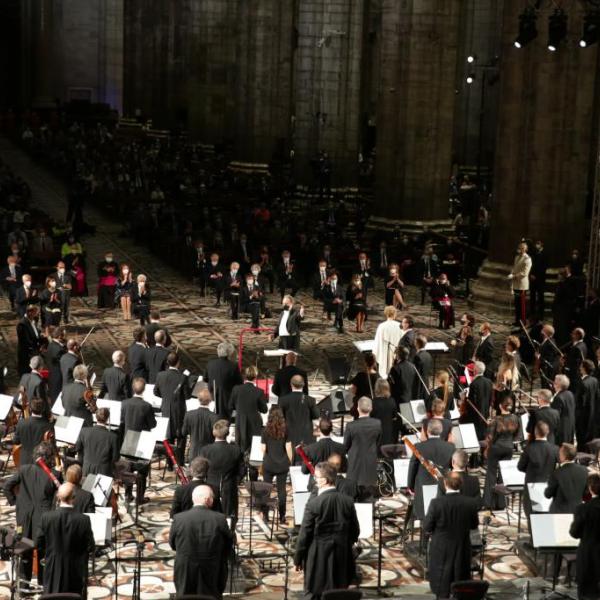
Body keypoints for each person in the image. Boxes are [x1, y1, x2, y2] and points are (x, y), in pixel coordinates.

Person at [294, 461, 360, 600]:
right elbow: (355, 531)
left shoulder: (314, 503)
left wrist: (298, 559)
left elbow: (304, 534)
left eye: (316, 477)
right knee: (338, 593)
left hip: (318, 555)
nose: (314, 480)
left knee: (315, 593)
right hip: (342, 555)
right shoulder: (348, 501)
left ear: (324, 480)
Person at [3, 442, 60, 582]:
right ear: (49, 457)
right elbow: (63, 494)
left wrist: (16, 503)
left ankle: (24, 584)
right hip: (44, 517)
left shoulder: (24, 469)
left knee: (24, 548)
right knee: (43, 550)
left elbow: (7, 486)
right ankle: (43, 582)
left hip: (23, 516)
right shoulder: (55, 475)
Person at [169, 485, 233, 599]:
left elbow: (173, 544)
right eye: (212, 498)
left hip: (185, 569)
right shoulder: (220, 518)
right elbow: (228, 545)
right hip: (212, 568)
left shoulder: (179, 518)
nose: (213, 500)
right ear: (207, 499)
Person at [423, 472, 479, 600]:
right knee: (461, 587)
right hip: (462, 549)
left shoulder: (436, 503)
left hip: (441, 551)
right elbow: (474, 525)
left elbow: (427, 527)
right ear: (461, 484)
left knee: (441, 588)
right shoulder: (470, 503)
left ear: (445, 483)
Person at [37, 482, 95, 596]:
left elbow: (39, 542)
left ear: (58, 497)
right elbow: (90, 546)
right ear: (74, 498)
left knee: (52, 597)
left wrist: (48, 554)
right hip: (75, 569)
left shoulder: (46, 517)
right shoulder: (83, 519)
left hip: (52, 567)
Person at [408, 419, 455, 520]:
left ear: (427, 431)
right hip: (443, 488)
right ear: (441, 431)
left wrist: (411, 487)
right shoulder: (450, 447)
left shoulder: (419, 447)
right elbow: (453, 469)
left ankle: (424, 533)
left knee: (425, 518)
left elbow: (412, 468)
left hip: (422, 488)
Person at [121, 378, 157, 502]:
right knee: (142, 471)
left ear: (132, 388)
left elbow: (122, 420)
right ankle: (140, 498)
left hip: (129, 439)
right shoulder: (147, 406)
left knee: (128, 468)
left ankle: (127, 494)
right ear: (144, 389)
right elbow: (152, 424)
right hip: (143, 441)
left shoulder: (125, 403)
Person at [200, 420, 244, 522]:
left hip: (210, 486)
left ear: (213, 432)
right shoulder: (236, 450)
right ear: (227, 433)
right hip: (229, 487)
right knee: (229, 517)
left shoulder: (205, 450)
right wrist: (235, 481)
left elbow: (201, 470)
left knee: (210, 516)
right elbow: (242, 470)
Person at [482, 396, 521, 509]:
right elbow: (517, 436)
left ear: (500, 406)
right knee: (503, 475)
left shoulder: (496, 419)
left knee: (491, 475)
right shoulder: (515, 418)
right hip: (508, 448)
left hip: (495, 448)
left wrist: (487, 448)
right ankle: (501, 503)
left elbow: (490, 437)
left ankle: (488, 503)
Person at [155, 352, 192, 466]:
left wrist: (166, 397)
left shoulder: (160, 375)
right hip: (179, 411)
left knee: (168, 436)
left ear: (167, 362)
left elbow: (156, 391)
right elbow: (187, 396)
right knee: (181, 436)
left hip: (166, 408)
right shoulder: (182, 377)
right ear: (178, 363)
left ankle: (170, 463)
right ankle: (179, 462)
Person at [344, 397, 382, 500]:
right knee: (369, 496)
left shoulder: (351, 426)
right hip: (370, 462)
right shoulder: (377, 424)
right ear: (371, 408)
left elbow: (345, 446)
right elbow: (378, 442)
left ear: (357, 408)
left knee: (353, 497)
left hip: (354, 464)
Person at [517, 421, 559, 516]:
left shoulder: (529, 448)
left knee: (531, 514)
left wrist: (529, 470)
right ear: (547, 432)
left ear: (535, 433)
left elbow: (520, 467)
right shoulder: (555, 449)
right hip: (548, 484)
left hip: (532, 483)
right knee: (547, 512)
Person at [569, 472, 600, 600]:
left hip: (588, 555)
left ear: (590, 489)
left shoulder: (583, 509)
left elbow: (574, 533)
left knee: (586, 593)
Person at [261, 405, 293, 523]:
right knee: (282, 491)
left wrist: (264, 461)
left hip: (268, 464)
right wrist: (289, 461)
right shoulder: (286, 429)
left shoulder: (265, 430)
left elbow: (263, 449)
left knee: (266, 490)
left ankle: (265, 516)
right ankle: (282, 516)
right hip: (282, 464)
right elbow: (288, 447)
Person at [278, 375, 319, 456]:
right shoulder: (310, 400)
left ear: (291, 384)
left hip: (289, 436)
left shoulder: (283, 400)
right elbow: (316, 415)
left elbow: (279, 417)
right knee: (305, 459)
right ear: (303, 384)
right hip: (306, 437)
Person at [231, 366, 268, 454]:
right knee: (254, 449)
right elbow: (264, 410)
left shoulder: (236, 389)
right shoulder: (259, 391)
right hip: (254, 423)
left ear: (245, 376)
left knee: (240, 447)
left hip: (240, 421)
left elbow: (231, 405)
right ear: (255, 377)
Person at [544, 443, 588, 513]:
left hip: (559, 512)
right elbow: (586, 492)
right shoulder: (584, 470)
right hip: (577, 511)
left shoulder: (556, 473)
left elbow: (548, 494)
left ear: (563, 456)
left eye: (560, 453)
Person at [75, 407, 119, 476]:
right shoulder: (113, 437)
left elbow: (78, 448)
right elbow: (115, 458)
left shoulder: (84, 431)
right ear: (107, 419)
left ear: (96, 417)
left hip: (86, 469)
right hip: (104, 472)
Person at [205, 341, 243, 419]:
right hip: (227, 398)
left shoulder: (210, 364)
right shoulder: (233, 366)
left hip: (212, 396)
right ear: (228, 353)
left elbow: (205, 378)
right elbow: (240, 383)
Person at [13, 397, 53, 466]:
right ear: (43, 409)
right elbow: (51, 446)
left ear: (30, 409)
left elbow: (16, 441)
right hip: (41, 462)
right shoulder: (48, 426)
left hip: (24, 461)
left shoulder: (21, 423)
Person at [182, 389, 219, 460]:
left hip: (193, 452)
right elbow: (217, 435)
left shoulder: (189, 414)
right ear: (210, 401)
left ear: (198, 399)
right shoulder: (214, 417)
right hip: (208, 454)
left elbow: (184, 432)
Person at [460, 361, 492, 440]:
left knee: (463, 420)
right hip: (486, 411)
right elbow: (490, 398)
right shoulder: (489, 382)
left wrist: (464, 398)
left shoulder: (474, 383)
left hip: (476, 413)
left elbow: (472, 401)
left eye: (474, 369)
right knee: (483, 431)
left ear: (476, 370)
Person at [373, 306, 402, 378]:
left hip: (384, 353)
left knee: (385, 372)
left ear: (386, 314)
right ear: (395, 314)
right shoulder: (399, 326)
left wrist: (375, 353)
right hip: (395, 353)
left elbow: (377, 342)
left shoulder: (381, 326)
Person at [508, 241, 532, 326]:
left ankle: (523, 322)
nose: (521, 249)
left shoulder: (527, 259)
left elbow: (525, 273)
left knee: (522, 306)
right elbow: (515, 268)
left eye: (523, 248)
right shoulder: (517, 257)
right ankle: (517, 321)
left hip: (522, 285)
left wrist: (514, 276)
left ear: (526, 249)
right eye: (520, 248)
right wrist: (511, 273)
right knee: (517, 304)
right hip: (516, 284)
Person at [576, 359, 598, 451]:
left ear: (584, 369)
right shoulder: (594, 380)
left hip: (583, 416)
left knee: (582, 437)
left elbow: (581, 402)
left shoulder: (583, 383)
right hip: (592, 412)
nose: (580, 368)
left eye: (581, 366)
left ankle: (582, 454)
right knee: (590, 435)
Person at [371, 379, 398, 446]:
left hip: (376, 432)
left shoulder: (373, 402)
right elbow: (394, 416)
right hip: (389, 431)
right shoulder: (392, 401)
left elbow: (370, 416)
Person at [17, 305, 43, 375]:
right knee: (27, 373)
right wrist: (37, 347)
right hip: (27, 355)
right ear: (30, 313)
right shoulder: (22, 324)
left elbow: (36, 335)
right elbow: (26, 341)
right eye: (35, 313)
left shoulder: (32, 321)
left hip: (34, 352)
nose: (37, 314)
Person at [551, 374, 575, 445]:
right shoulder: (570, 394)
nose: (553, 384)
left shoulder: (558, 398)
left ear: (558, 385)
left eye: (555, 382)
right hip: (569, 428)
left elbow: (555, 416)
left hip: (561, 431)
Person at [45, 326, 66, 400]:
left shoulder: (51, 344)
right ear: (60, 336)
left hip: (51, 376)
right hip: (58, 378)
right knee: (57, 399)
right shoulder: (59, 349)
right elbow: (65, 361)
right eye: (64, 335)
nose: (65, 338)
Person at [529, 240, 547, 317]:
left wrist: (536, 276)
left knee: (540, 298)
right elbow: (532, 265)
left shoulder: (545, 254)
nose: (537, 245)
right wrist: (531, 274)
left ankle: (540, 315)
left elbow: (544, 268)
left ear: (542, 245)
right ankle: (532, 313)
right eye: (536, 244)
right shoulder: (535, 253)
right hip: (533, 279)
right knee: (532, 297)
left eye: (538, 244)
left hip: (540, 279)